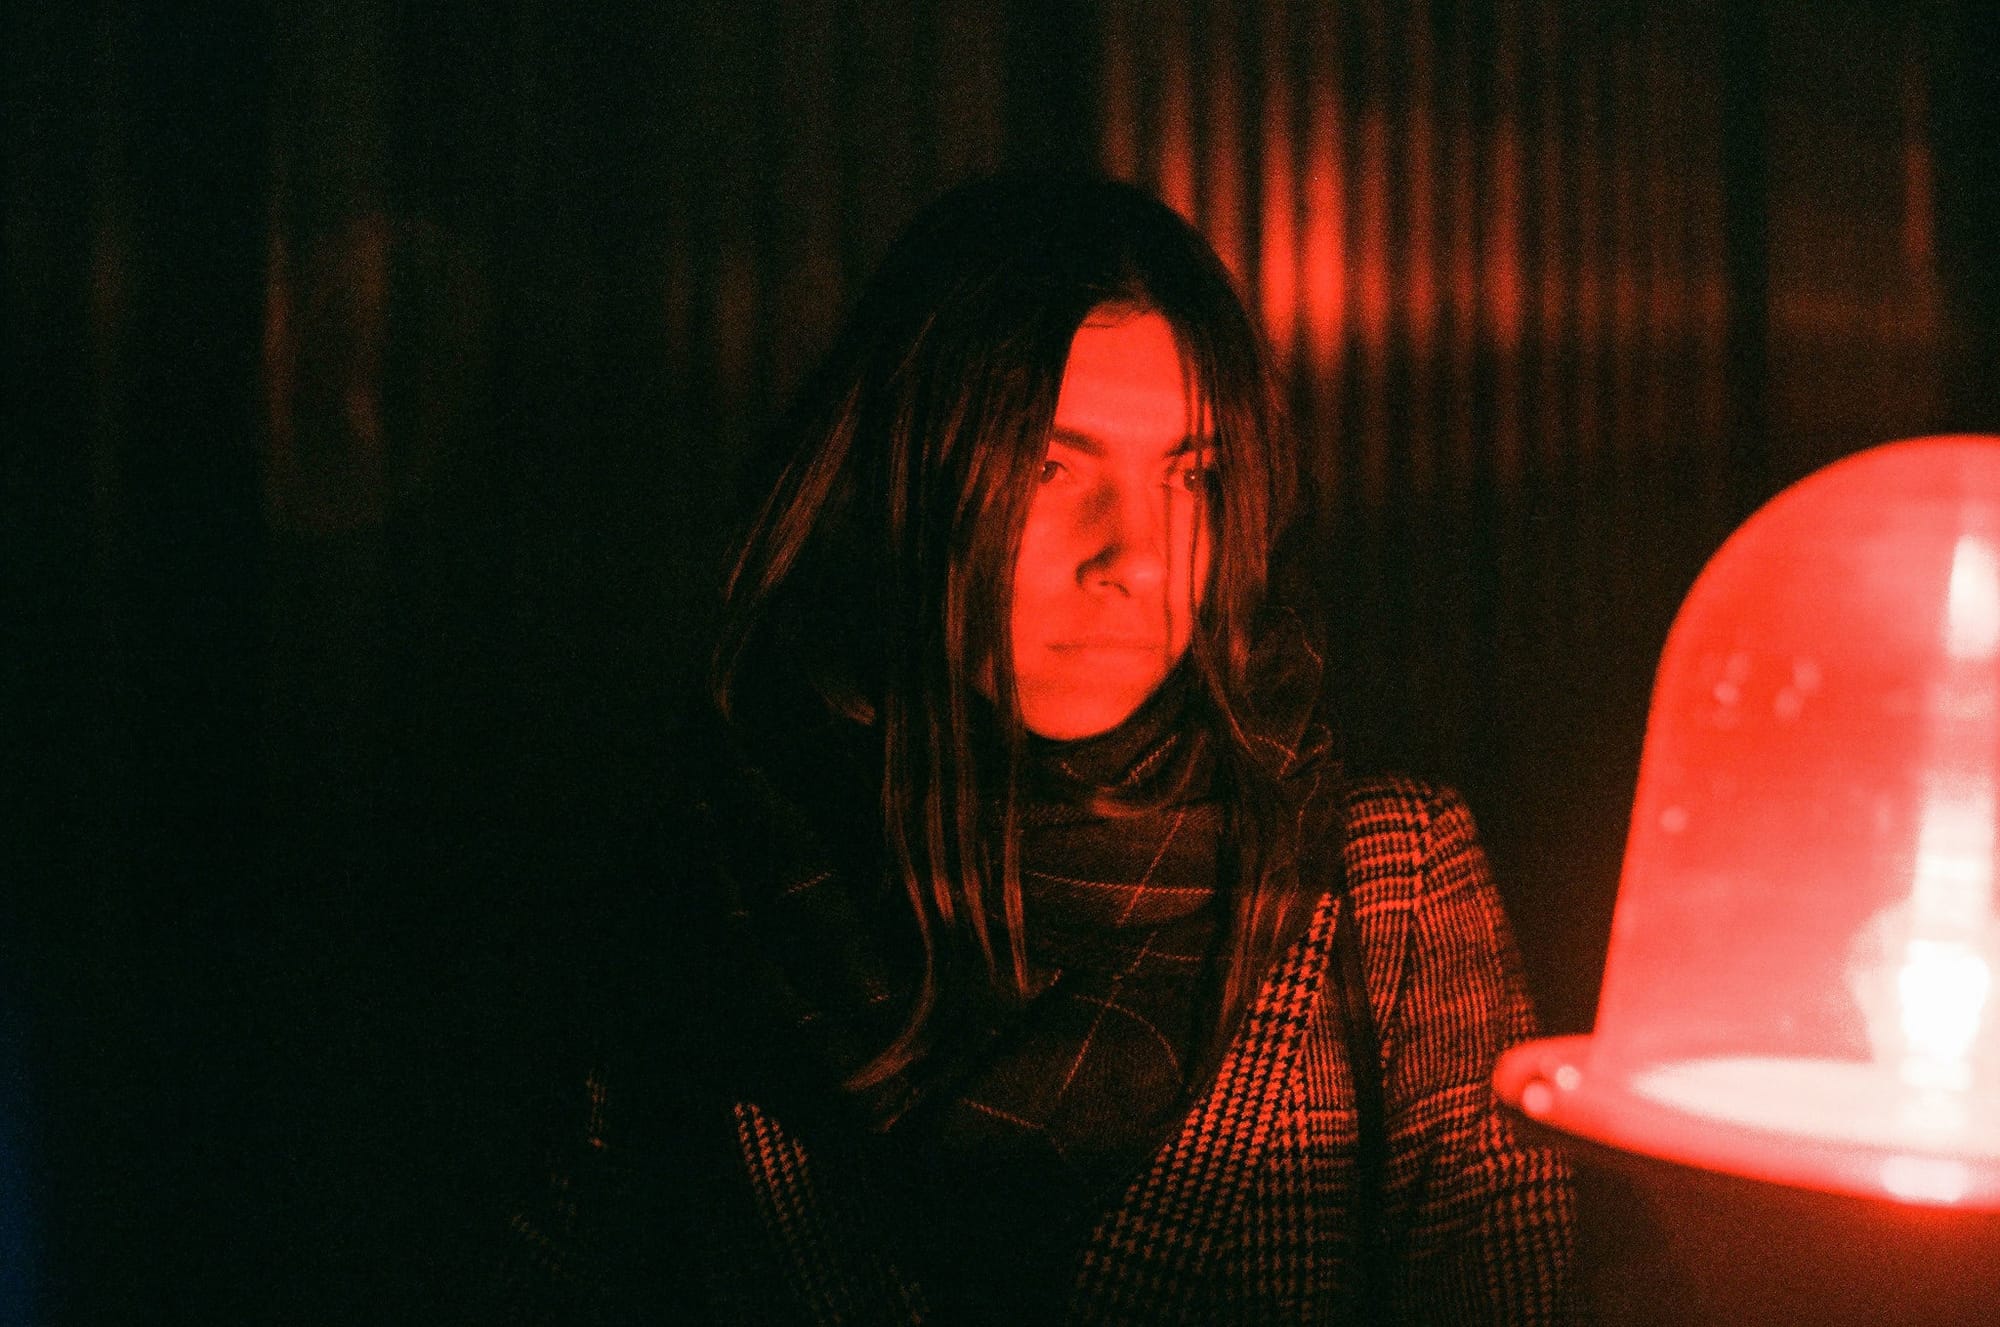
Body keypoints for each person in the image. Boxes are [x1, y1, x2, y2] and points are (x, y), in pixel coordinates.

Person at [505, 172, 1574, 1324]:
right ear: (896, 479)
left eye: (1191, 476)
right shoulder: (699, 884)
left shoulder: (1384, 885)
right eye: (1047, 467)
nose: (1135, 557)